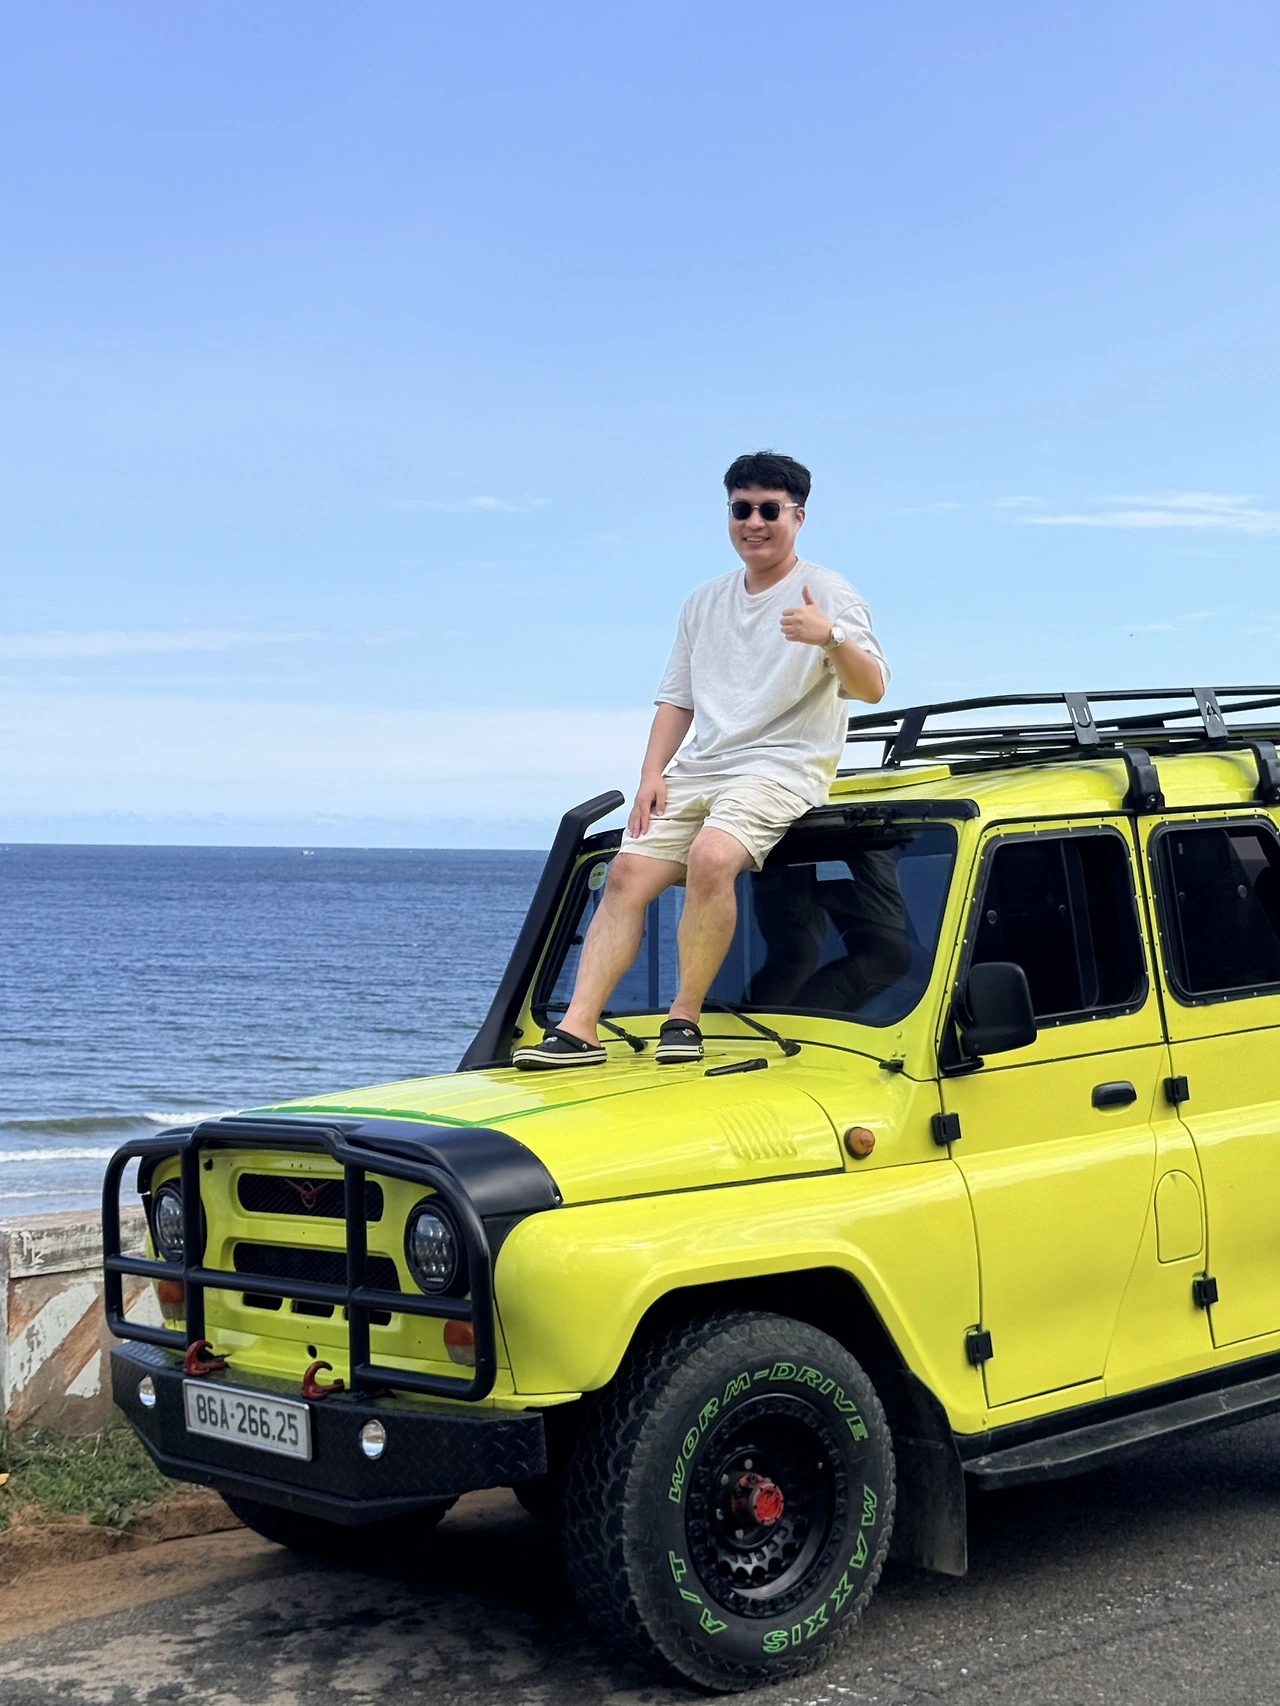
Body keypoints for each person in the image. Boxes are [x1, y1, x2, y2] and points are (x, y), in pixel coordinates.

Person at [514, 450, 890, 1070]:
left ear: (797, 517)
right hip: (701, 766)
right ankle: (579, 1030)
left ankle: (684, 1019)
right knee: (624, 874)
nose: (754, 522)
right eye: (742, 509)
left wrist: (830, 636)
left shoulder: (827, 592)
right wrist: (650, 776)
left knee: (712, 856)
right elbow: (677, 699)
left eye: (769, 509)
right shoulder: (702, 602)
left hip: (782, 765)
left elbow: (872, 687)